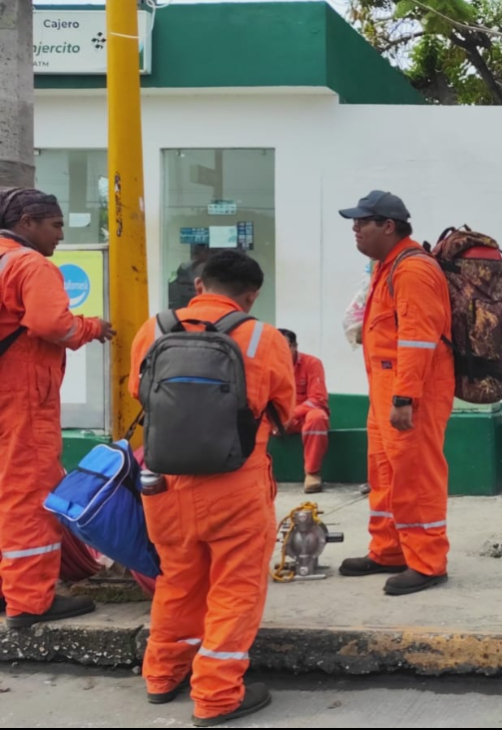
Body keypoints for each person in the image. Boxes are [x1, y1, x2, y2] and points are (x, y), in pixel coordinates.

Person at [129, 249, 294, 725]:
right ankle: (218, 694)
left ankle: (162, 675)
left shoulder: (155, 328)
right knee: (235, 588)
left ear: (200, 285)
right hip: (235, 484)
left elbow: (136, 392)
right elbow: (283, 411)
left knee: (178, 581)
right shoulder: (263, 336)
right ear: (251, 295)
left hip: (166, 483)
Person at [0, 187, 114, 629]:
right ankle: (29, 601)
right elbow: (52, 324)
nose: (61, 236)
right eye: (56, 225)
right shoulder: (30, 264)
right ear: (27, 222)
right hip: (21, 398)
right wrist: (92, 327)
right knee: (27, 496)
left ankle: (8, 588)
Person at [338, 190, 454, 596]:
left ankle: (427, 562)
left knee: (415, 475)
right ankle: (389, 550)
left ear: (388, 226)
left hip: (410, 392)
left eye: (361, 222)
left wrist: (405, 397)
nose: (354, 229)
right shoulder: (387, 267)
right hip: (386, 388)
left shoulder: (412, 270)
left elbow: (418, 340)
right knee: (384, 472)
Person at [277, 329, 330, 493]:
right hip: (277, 419)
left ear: (295, 346)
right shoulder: (268, 365)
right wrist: (276, 420)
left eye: (284, 346)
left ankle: (313, 473)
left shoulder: (312, 363)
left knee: (318, 417)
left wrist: (290, 416)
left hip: (301, 419)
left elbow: (318, 399)